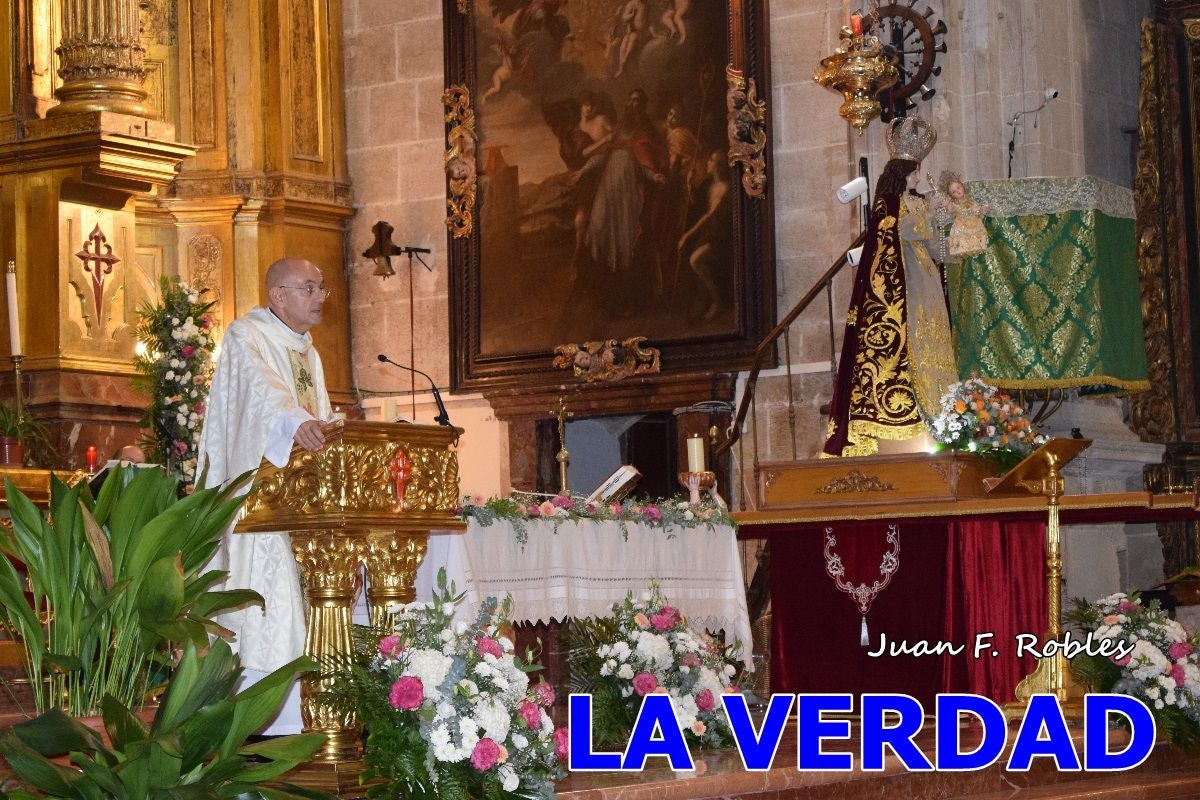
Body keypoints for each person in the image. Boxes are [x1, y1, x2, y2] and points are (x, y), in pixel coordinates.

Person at [197, 256, 333, 734]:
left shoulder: (308, 352)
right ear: (278, 294)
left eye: (322, 289)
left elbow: (317, 411)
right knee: (265, 601)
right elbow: (262, 392)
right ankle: (256, 725)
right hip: (259, 501)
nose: (319, 298)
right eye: (309, 287)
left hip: (300, 504)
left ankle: (297, 722)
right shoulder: (245, 336)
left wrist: (329, 431)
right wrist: (299, 424)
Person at [823, 117, 959, 457]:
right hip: (906, 290)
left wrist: (951, 229)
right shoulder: (889, 203)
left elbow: (933, 247)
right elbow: (900, 232)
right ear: (901, 172)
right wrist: (933, 215)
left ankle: (943, 420)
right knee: (910, 348)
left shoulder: (918, 203)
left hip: (927, 289)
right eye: (912, 172)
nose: (916, 177)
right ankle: (908, 420)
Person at [935, 170, 989, 259]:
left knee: (977, 235)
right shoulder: (954, 203)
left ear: (962, 185)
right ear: (951, 195)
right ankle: (963, 248)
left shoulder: (970, 200)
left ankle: (976, 246)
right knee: (963, 238)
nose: (958, 192)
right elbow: (949, 209)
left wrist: (982, 209)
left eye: (958, 188)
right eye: (954, 192)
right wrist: (946, 204)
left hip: (974, 222)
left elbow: (976, 209)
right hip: (961, 225)